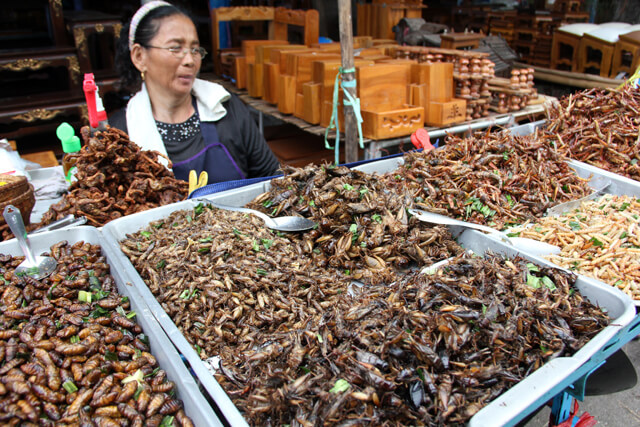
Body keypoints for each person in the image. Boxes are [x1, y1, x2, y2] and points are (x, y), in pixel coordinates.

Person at [111, 1, 281, 183]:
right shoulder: (122, 134)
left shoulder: (226, 108)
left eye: (195, 49)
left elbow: (273, 177)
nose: (190, 60)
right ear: (139, 56)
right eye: (175, 48)